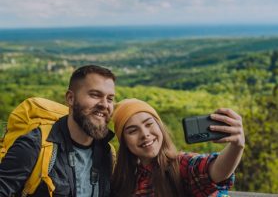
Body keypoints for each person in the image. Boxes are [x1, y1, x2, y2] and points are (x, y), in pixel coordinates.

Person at [0, 65, 116, 197]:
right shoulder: (34, 146)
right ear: (70, 98)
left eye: (110, 99)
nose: (104, 105)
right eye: (95, 95)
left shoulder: (108, 154)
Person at [111, 98, 245, 197]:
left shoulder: (181, 165)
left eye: (149, 124)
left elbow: (215, 171)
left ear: (160, 126)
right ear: (124, 142)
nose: (145, 134)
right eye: (132, 131)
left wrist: (237, 146)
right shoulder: (122, 179)